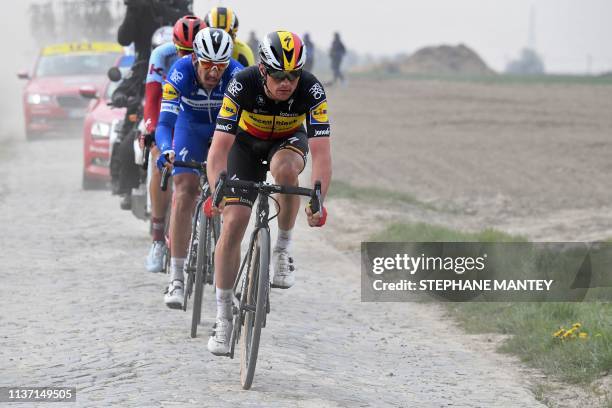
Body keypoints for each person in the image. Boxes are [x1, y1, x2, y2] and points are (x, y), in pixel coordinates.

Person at [205, 31, 332, 355]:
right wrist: (217, 188)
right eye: (278, 75)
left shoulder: (312, 89)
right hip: (244, 145)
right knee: (235, 221)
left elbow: (321, 153)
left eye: (293, 75)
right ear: (263, 71)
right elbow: (219, 147)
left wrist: (319, 200)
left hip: (286, 142)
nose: (286, 82)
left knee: (288, 171)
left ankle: (282, 249)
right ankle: (223, 316)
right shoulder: (242, 84)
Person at [155, 28, 244, 309]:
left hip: (224, 131)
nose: (214, 72)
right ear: (195, 59)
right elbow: (165, 122)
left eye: (220, 66)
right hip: (189, 129)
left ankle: (229, 282)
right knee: (184, 190)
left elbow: (247, 124)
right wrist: (166, 149)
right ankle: (177, 277)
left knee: (235, 203)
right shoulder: (180, 72)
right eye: (207, 65)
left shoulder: (237, 75)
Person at [113, 0, 191, 208]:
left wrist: (157, 7)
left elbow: (187, 24)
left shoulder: (181, 5)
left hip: (178, 65)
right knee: (127, 133)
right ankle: (126, 186)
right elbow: (124, 38)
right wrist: (133, 10)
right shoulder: (138, 8)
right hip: (145, 69)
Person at [144, 15, 205, 273]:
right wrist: (150, 128)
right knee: (160, 160)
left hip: (196, 115)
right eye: (183, 50)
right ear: (174, 45)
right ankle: (158, 239)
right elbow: (152, 97)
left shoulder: (213, 58)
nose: (187, 56)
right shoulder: (161, 55)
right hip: (168, 113)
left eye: (193, 52)